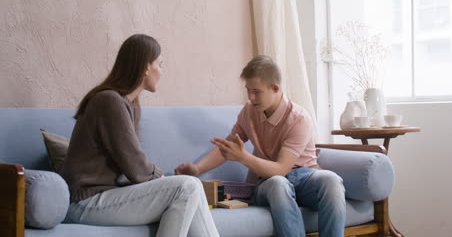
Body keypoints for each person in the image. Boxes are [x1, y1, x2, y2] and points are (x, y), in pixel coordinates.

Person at [60, 34, 219, 237]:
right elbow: (135, 165)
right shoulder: (109, 101)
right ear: (146, 67)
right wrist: (163, 179)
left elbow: (134, 169)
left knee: (191, 187)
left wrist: (162, 180)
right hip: (85, 202)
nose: (162, 72)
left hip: (107, 195)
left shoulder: (130, 105)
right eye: (160, 65)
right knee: (187, 187)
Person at [175, 55, 346, 237]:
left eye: (256, 91)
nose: (251, 97)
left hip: (304, 177)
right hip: (269, 183)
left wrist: (243, 157)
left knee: (332, 180)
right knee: (279, 184)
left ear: (275, 88)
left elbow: (281, 168)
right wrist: (197, 168)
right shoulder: (249, 111)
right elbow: (228, 147)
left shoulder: (299, 119)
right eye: (248, 90)